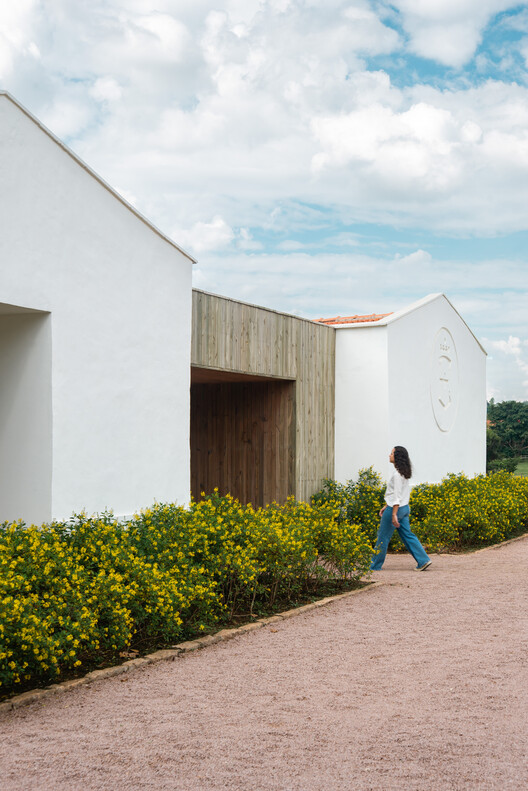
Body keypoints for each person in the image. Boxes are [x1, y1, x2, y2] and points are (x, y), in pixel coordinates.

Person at [370, 446, 431, 571]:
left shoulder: (397, 475)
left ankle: (374, 566)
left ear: (397, 456)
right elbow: (399, 493)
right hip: (404, 508)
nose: (389, 455)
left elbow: (397, 496)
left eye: (391, 453)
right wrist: (386, 505)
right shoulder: (404, 473)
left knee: (382, 537)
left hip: (396, 510)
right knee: (408, 535)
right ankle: (423, 560)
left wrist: (393, 515)